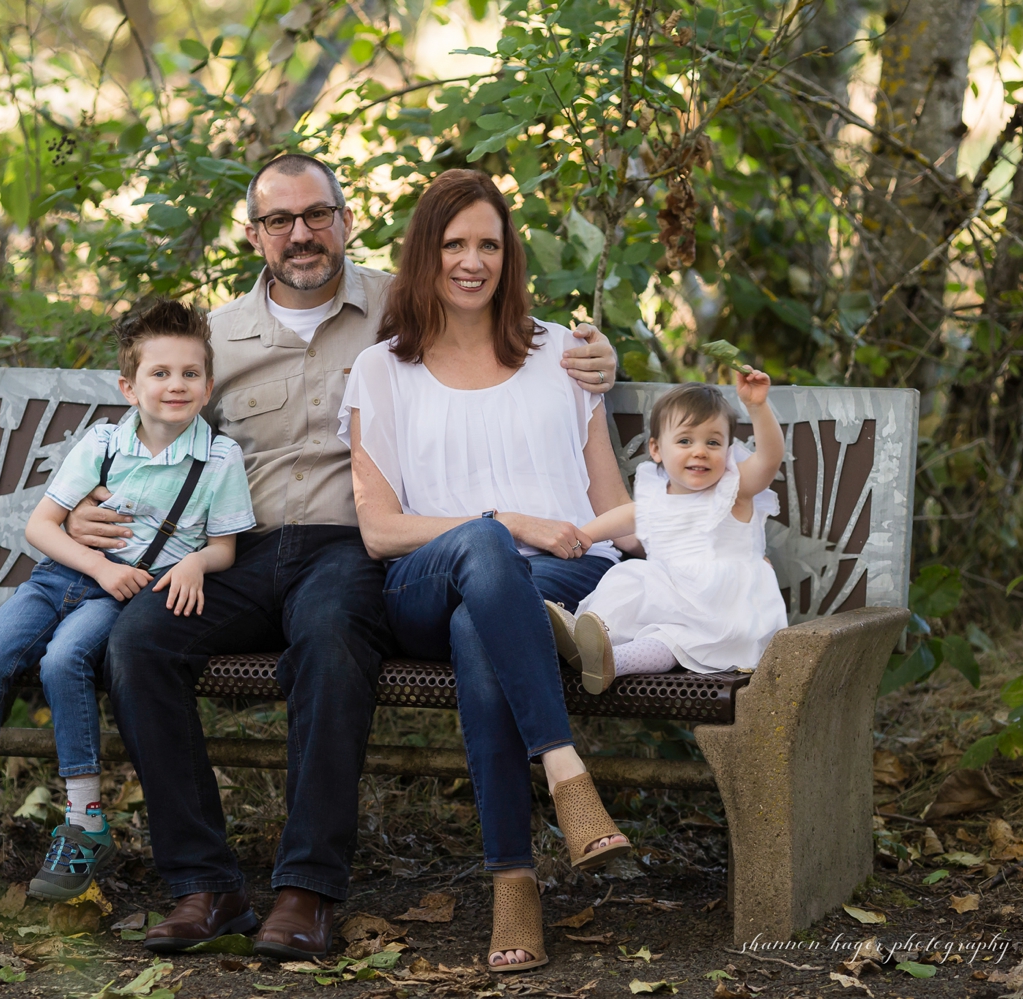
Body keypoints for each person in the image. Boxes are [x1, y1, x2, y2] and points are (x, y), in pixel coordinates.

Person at [65, 154, 619, 960]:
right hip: (237, 550)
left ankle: (307, 890)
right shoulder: (214, 335)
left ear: (346, 219)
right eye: (281, 221)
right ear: (254, 234)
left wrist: (600, 362)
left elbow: (506, 332)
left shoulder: (401, 304)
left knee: (329, 640)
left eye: (317, 215)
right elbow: (143, 421)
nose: (301, 235)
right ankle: (205, 884)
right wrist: (82, 504)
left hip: (348, 548)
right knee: (138, 640)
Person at [341, 169, 638, 973]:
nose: (472, 261)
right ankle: (566, 768)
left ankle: (515, 881)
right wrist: (504, 521)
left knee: (487, 624)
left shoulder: (564, 357)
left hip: (558, 582)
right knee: (485, 549)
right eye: (453, 244)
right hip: (424, 581)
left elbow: (609, 504)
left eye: (489, 245)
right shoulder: (382, 370)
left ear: (509, 257)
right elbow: (379, 529)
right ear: (423, 254)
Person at [0, 301, 254, 902]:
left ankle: (85, 821)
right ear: (129, 387)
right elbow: (43, 527)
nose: (176, 386)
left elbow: (225, 548)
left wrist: (192, 561)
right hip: (60, 579)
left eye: (190, 374)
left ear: (209, 385)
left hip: (123, 596)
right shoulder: (102, 443)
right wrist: (98, 566)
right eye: (159, 373)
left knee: (63, 662)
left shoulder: (218, 458)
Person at [546, 377, 788, 694]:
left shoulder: (735, 490)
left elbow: (769, 459)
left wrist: (757, 407)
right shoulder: (661, 496)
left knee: (672, 639)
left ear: (728, 450)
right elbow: (628, 516)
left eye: (713, 443)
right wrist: (583, 536)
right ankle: (594, 646)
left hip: (724, 608)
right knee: (628, 577)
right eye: (685, 441)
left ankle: (611, 659)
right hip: (679, 598)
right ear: (657, 449)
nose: (700, 451)